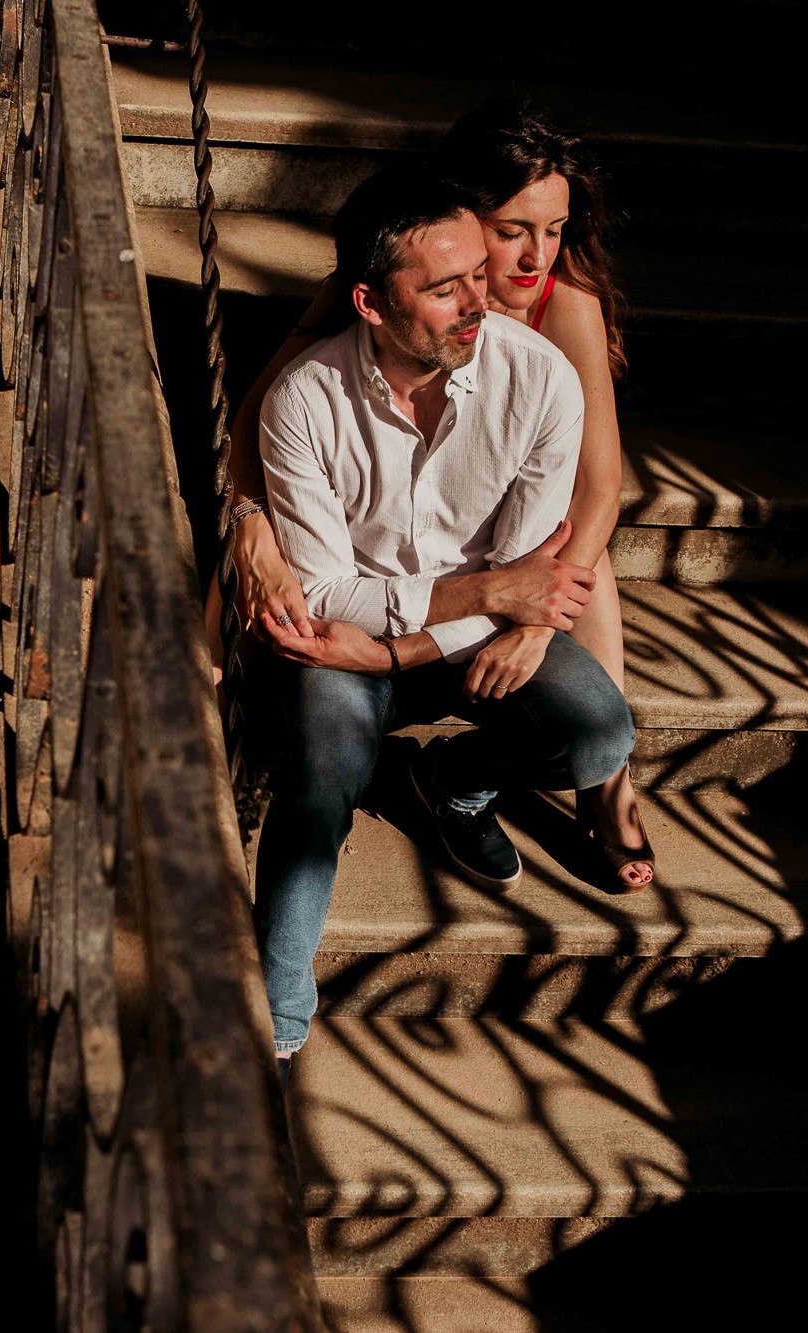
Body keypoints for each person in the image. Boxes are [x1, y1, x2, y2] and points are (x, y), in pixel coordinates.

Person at [246, 168, 635, 1073]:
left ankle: (450, 779)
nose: (480, 300)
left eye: (477, 274)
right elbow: (327, 593)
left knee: (599, 732)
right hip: (348, 646)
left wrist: (406, 644)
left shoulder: (538, 381)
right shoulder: (304, 400)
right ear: (371, 303)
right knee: (321, 772)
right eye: (444, 286)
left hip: (440, 642)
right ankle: (276, 1011)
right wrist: (482, 597)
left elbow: (531, 582)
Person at [221, 102, 654, 889]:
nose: (534, 255)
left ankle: (592, 782)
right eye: (513, 228)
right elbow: (257, 410)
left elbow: (598, 491)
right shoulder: (398, 285)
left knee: (581, 584)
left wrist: (529, 622)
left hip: (537, 539)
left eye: (555, 229)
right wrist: (248, 520)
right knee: (293, 612)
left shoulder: (564, 307)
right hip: (399, 539)